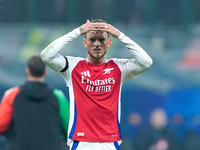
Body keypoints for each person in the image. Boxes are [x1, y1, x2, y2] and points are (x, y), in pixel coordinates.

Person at [41, 19, 153, 150]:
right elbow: (46, 56)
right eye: (92, 39)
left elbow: (146, 62)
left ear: (109, 42)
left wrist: (119, 34)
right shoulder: (73, 66)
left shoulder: (118, 68)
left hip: (110, 143)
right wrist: (77, 31)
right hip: (82, 142)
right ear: (84, 42)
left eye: (102, 39)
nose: (97, 44)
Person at [0, 55, 70, 150]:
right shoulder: (58, 97)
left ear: (27, 71)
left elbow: (1, 125)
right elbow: (69, 128)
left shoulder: (12, 95)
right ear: (45, 72)